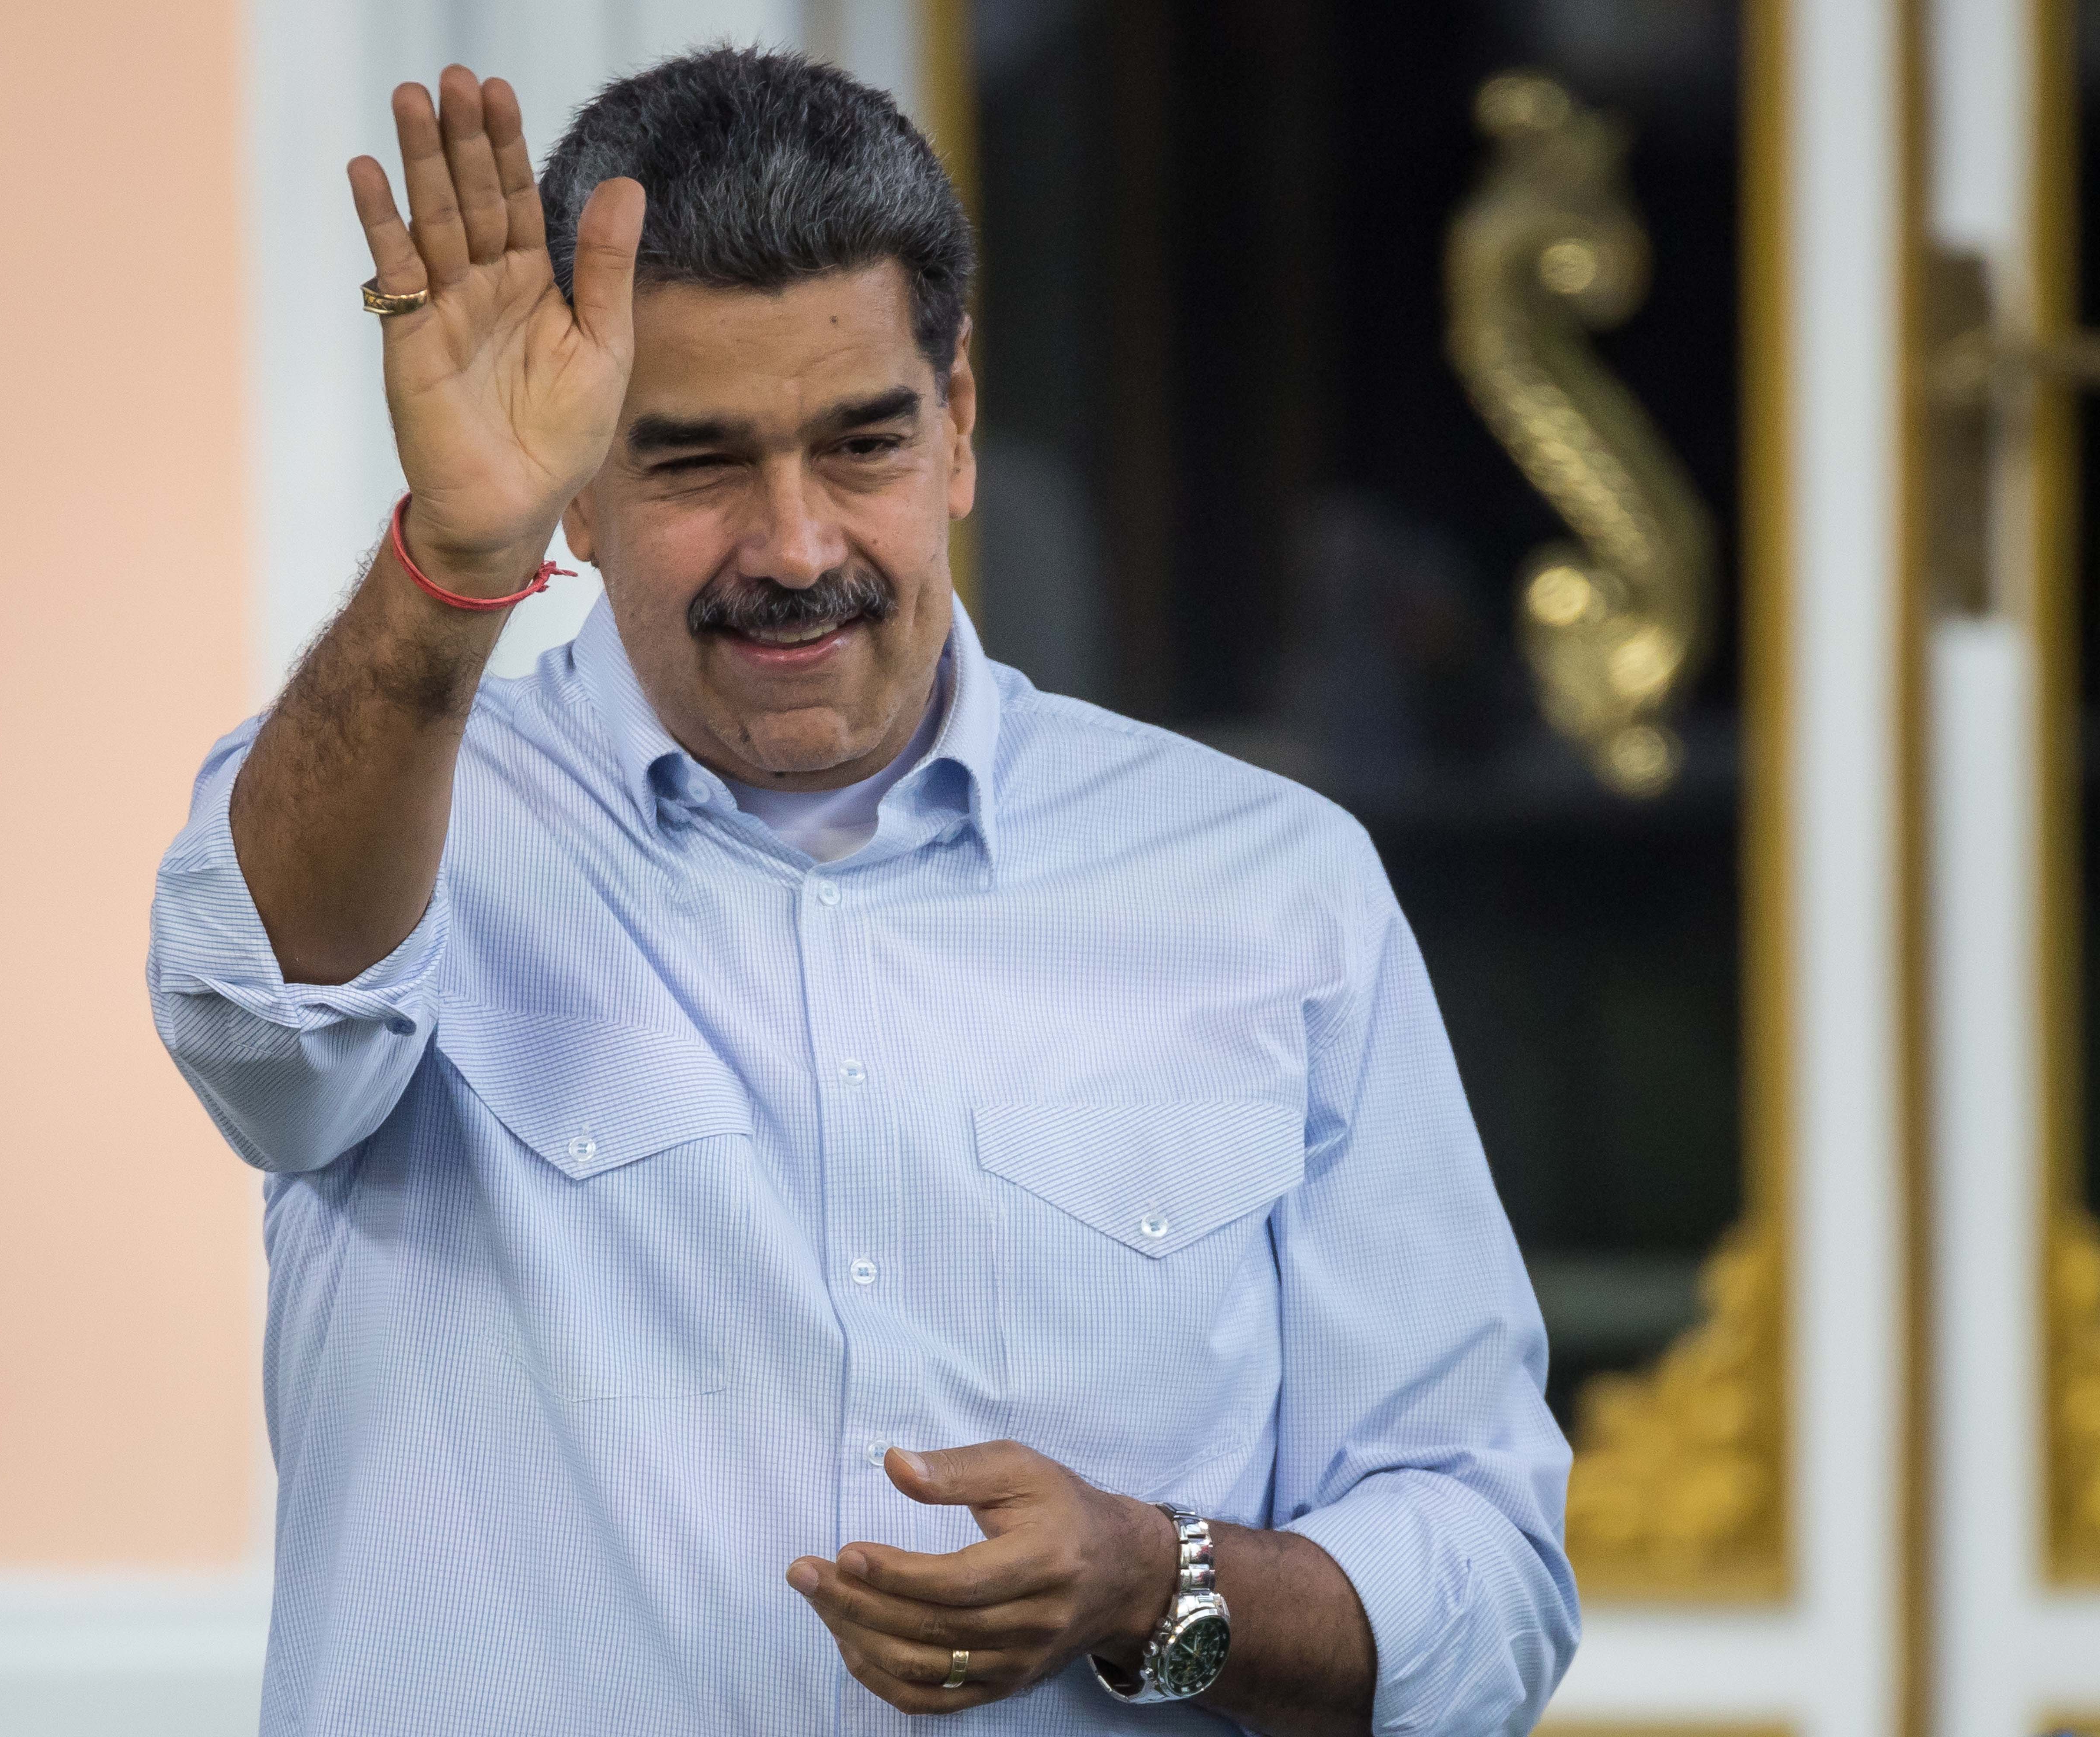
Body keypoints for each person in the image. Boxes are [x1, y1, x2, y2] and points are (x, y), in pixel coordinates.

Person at [149, 46, 1577, 1736]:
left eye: (862, 444)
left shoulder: (1274, 890)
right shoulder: (410, 819)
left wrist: (1152, 1586)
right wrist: (455, 562)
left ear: (957, 427)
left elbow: (1485, 1599)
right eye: (695, 462)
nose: (797, 546)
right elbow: (261, 1036)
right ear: (581, 489)